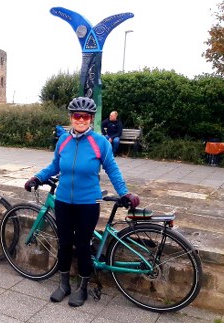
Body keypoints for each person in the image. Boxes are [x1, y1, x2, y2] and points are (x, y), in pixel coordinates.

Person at [24, 97, 139, 307]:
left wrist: (125, 192)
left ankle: (83, 287)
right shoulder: (63, 141)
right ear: (71, 117)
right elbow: (55, 166)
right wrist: (37, 177)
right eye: (77, 116)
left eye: (85, 116)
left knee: (83, 245)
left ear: (91, 119)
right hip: (64, 201)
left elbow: (112, 169)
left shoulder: (100, 142)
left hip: (88, 203)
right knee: (65, 243)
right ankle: (64, 284)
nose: (81, 119)